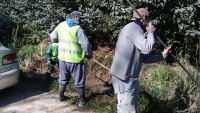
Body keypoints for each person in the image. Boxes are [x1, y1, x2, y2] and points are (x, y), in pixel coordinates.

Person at [109, 8, 171, 113]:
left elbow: (143, 58)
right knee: (126, 110)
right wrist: (150, 33)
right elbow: (147, 48)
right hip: (125, 79)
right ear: (144, 18)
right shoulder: (134, 28)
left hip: (127, 78)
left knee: (130, 109)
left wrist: (162, 55)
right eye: (148, 19)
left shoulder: (132, 28)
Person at [50, 11, 92, 107]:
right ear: (75, 17)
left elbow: (52, 37)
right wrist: (89, 54)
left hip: (63, 58)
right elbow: (85, 44)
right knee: (79, 80)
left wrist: (58, 42)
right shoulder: (78, 29)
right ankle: (81, 101)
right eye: (80, 18)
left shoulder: (61, 25)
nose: (81, 20)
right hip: (75, 60)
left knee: (63, 78)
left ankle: (61, 97)